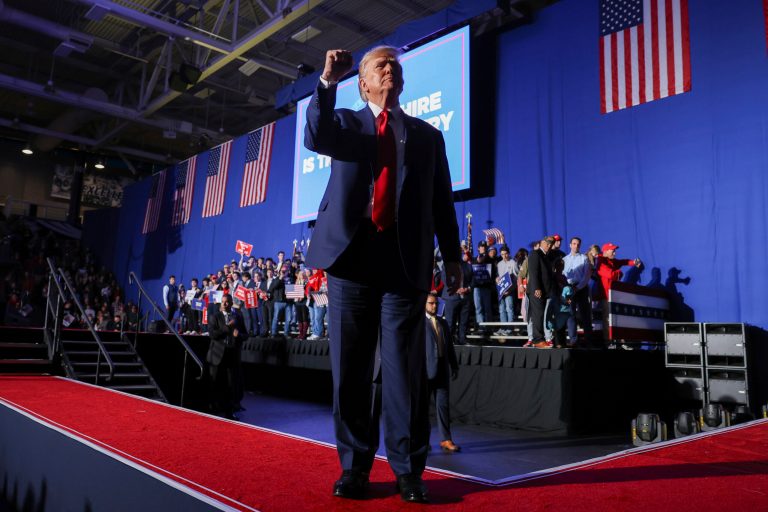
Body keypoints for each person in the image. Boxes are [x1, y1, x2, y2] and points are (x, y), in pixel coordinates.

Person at [304, 46, 461, 503]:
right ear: (363, 83)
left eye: (395, 65)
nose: (388, 68)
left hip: (403, 262)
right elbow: (315, 135)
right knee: (351, 371)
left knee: (405, 374)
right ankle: (353, 468)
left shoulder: (429, 136)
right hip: (349, 260)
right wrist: (327, 82)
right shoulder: (346, 124)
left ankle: (409, 469)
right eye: (379, 65)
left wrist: (452, 256)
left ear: (402, 82)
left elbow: (441, 203)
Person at [424, 293, 460, 452]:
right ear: (424, 304)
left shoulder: (443, 323)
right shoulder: (419, 323)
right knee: (423, 410)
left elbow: (450, 347)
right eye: (431, 303)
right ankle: (423, 442)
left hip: (442, 370)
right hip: (425, 372)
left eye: (436, 303)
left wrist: (454, 365)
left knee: (443, 407)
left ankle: (446, 439)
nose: (434, 306)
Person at [206, 294, 247, 420]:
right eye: (222, 302)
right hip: (217, 355)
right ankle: (213, 409)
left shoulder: (238, 317)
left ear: (230, 303)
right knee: (215, 383)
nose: (224, 304)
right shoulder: (215, 317)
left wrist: (239, 335)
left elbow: (246, 335)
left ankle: (229, 412)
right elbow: (213, 335)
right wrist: (227, 327)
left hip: (231, 355)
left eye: (227, 302)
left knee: (230, 385)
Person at [595, 243, 641, 349]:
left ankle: (621, 342)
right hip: (606, 296)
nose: (615, 253)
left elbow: (623, 261)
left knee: (618, 319)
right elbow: (611, 274)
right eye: (613, 251)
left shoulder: (612, 261)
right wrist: (619, 272)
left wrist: (633, 262)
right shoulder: (601, 262)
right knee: (607, 320)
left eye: (615, 250)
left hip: (615, 295)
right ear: (606, 251)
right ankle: (608, 343)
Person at [562, 237, 593, 346]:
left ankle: (589, 340)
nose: (576, 246)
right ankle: (573, 340)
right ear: (570, 245)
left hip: (581, 289)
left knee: (585, 314)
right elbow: (562, 275)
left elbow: (587, 276)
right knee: (570, 314)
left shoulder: (584, 258)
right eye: (574, 244)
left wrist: (578, 287)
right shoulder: (565, 259)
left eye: (578, 244)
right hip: (569, 289)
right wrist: (567, 288)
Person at [527, 237, 554, 348]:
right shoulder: (535, 253)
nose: (549, 245)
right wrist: (536, 288)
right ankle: (537, 340)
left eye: (551, 244)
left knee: (542, 315)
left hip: (546, 291)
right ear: (541, 243)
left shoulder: (546, 257)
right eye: (547, 243)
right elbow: (534, 272)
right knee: (537, 315)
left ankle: (541, 338)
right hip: (537, 291)